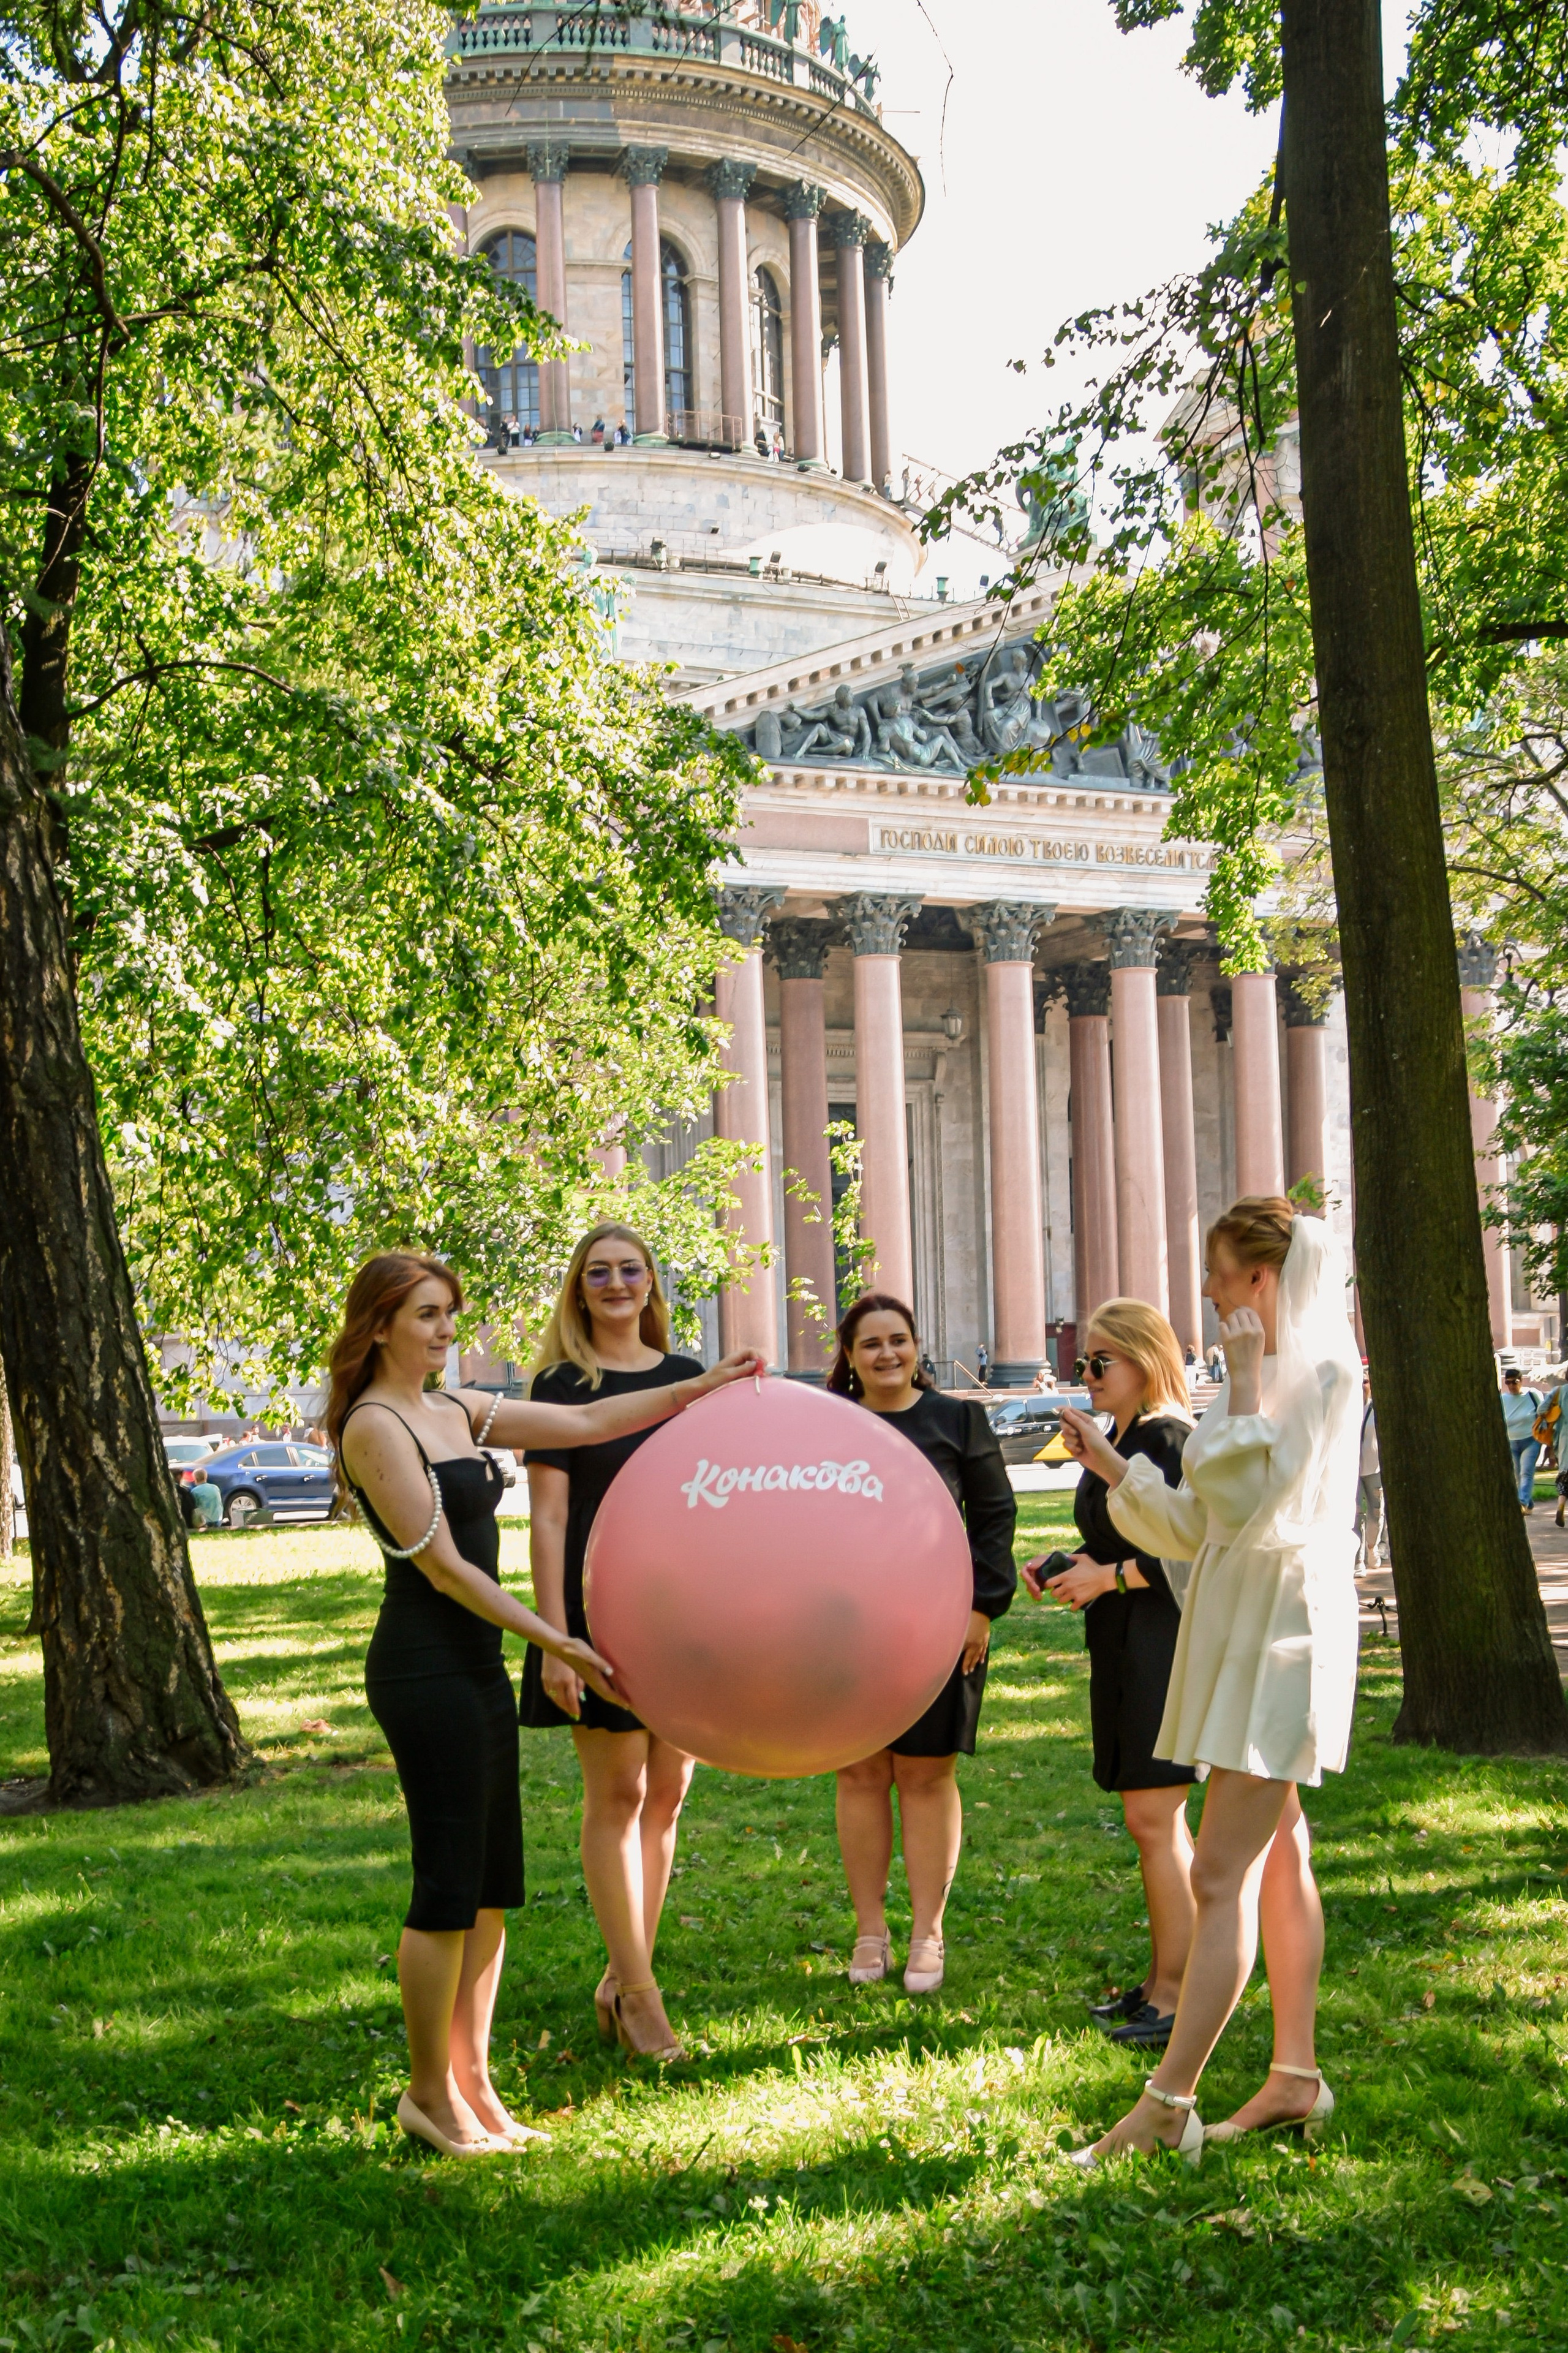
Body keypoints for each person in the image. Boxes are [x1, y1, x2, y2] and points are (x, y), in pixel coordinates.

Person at [330, 1248, 757, 2158]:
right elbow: (443, 1568)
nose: (447, 1330)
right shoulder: (375, 1426)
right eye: (428, 1316)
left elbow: (591, 1417)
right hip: (422, 1671)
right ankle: (428, 2095)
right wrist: (552, 1636)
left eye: (450, 1312)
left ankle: (476, 2086)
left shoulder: (453, 1408)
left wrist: (700, 1387)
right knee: (447, 1887)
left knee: (491, 1894)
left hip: (475, 1668)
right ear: (380, 1327)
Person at [1055, 1198, 1361, 2165]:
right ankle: (1295, 2076)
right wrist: (1114, 1468)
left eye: (1219, 1274)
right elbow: (1194, 1525)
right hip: (1243, 1616)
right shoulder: (1271, 1377)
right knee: (1279, 1852)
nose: (1208, 1290)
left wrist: (1238, 1377)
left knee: (1217, 1870)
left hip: (1283, 1628)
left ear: (1260, 1280)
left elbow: (1237, 1493)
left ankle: (1167, 2105)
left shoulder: (1317, 1372)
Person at [520, 1224, 710, 2063]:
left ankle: (621, 1974)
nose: (616, 1283)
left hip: (681, 1612)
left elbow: (714, 1498)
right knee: (618, 1796)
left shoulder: (683, 1380)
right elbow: (549, 1517)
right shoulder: (562, 1386)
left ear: (652, 1283)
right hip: (596, 1615)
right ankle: (641, 1997)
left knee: (668, 1793)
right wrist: (557, 1638)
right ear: (578, 1287)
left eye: (631, 1269)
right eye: (598, 1272)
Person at [827, 1292, 1016, 1995]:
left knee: (927, 1774)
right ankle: (869, 1929)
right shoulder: (831, 1427)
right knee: (860, 1774)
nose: (886, 1354)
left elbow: (995, 1516)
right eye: (870, 1343)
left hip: (941, 1625)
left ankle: (927, 1932)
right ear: (848, 1356)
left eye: (897, 1340)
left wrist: (981, 1607)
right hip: (848, 1628)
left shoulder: (957, 1418)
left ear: (916, 1347)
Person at [1021, 1301, 1194, 2049]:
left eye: (1100, 1362)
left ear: (1143, 1361)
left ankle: (1180, 1995)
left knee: (1157, 1820)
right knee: (1144, 1820)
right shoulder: (1116, 1440)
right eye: (1082, 1362)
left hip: (1161, 1642)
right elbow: (1112, 1537)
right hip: (1122, 1641)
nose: (1085, 1375)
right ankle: (1159, 1983)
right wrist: (1065, 1564)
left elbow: (1194, 1552)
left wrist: (1112, 1578)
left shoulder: (1167, 1437)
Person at [1501, 1367, 1545, 1510]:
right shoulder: (1503, 1399)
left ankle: (1522, 1502)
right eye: (1508, 1383)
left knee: (1526, 1471)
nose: (1512, 1386)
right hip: (1511, 1441)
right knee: (1518, 1476)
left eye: (1515, 1382)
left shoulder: (1532, 1395)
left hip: (1531, 1440)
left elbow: (1543, 1414)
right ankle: (1529, 1504)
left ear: (1521, 1381)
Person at [1355, 1370, 1385, 1569]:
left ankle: (1372, 1548)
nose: (1362, 1386)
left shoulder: (1376, 1409)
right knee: (1357, 1514)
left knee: (1376, 1512)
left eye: (1365, 1382)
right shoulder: (1349, 1409)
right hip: (1354, 1471)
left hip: (1374, 1469)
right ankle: (1358, 1560)